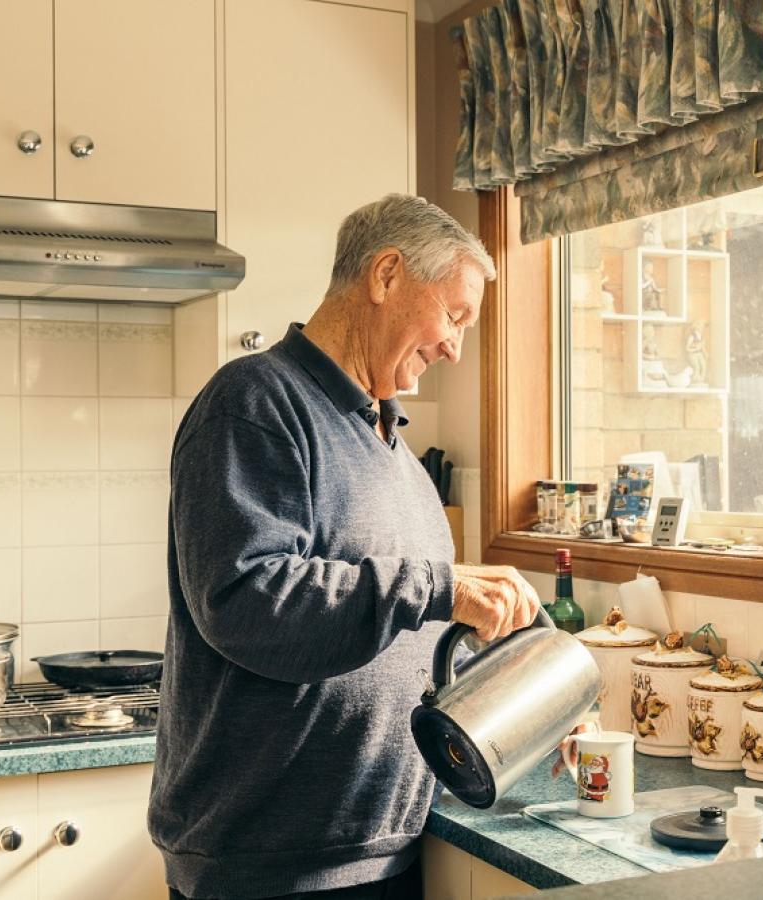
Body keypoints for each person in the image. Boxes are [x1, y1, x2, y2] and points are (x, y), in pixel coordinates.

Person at [148, 194, 541, 900]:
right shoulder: (255, 403)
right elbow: (246, 602)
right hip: (269, 864)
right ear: (386, 275)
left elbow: (397, 622)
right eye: (454, 315)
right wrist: (440, 587)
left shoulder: (391, 445)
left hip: (374, 846)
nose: (455, 346)